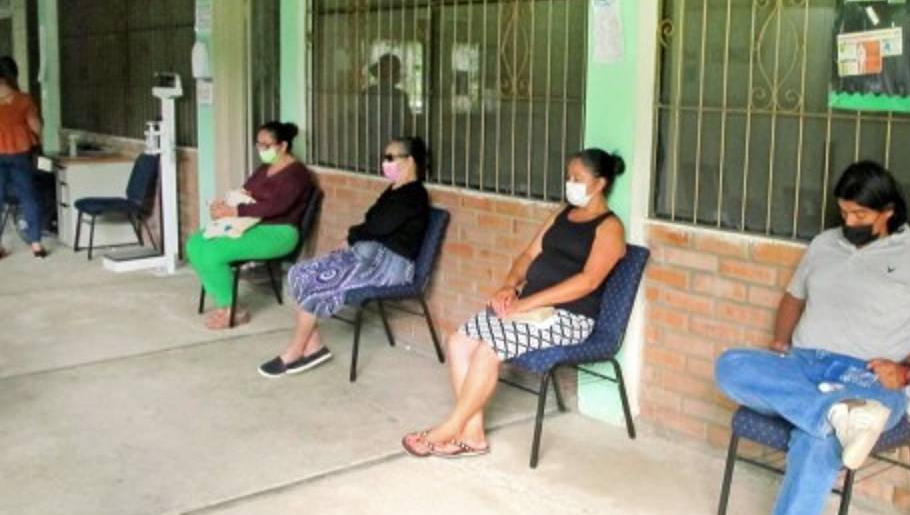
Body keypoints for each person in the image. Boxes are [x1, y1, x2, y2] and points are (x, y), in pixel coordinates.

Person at [716, 160, 910, 515]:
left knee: (817, 439)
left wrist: (907, 373)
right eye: (844, 212)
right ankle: (834, 413)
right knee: (730, 365)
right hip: (804, 365)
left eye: (860, 215)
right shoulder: (824, 244)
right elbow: (794, 298)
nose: (849, 222)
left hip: (870, 378)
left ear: (889, 211)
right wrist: (781, 344)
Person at [402, 149, 627, 458]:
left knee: (489, 349)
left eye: (578, 178)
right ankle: (473, 434)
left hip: (569, 318)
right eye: (568, 177)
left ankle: (449, 428)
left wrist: (528, 303)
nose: (570, 183)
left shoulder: (610, 228)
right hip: (530, 309)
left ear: (599, 184)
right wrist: (509, 287)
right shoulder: (562, 214)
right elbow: (528, 255)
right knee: (459, 342)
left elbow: (588, 281)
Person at [257, 137, 431, 377]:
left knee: (319, 286)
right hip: (366, 255)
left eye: (390, 157)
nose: (385, 162)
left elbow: (378, 226)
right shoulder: (393, 190)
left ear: (409, 161)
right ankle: (314, 345)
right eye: (385, 157)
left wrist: (351, 237)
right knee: (300, 272)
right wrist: (355, 237)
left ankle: (295, 351)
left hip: (389, 266)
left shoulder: (414, 194)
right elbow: (371, 219)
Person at [186, 121, 312, 329]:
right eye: (258, 144)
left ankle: (232, 309)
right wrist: (225, 206)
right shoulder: (264, 169)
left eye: (266, 145)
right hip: (251, 224)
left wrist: (236, 211)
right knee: (195, 243)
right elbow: (245, 192)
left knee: (213, 253)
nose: (261, 149)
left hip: (279, 232)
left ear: (283, 146)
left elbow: (276, 206)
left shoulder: (297, 174)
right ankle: (223, 301)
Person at [0, 56, 45, 259]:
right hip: (20, 154)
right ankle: (36, 245)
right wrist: (39, 139)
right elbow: (35, 126)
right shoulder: (23, 100)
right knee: (28, 197)